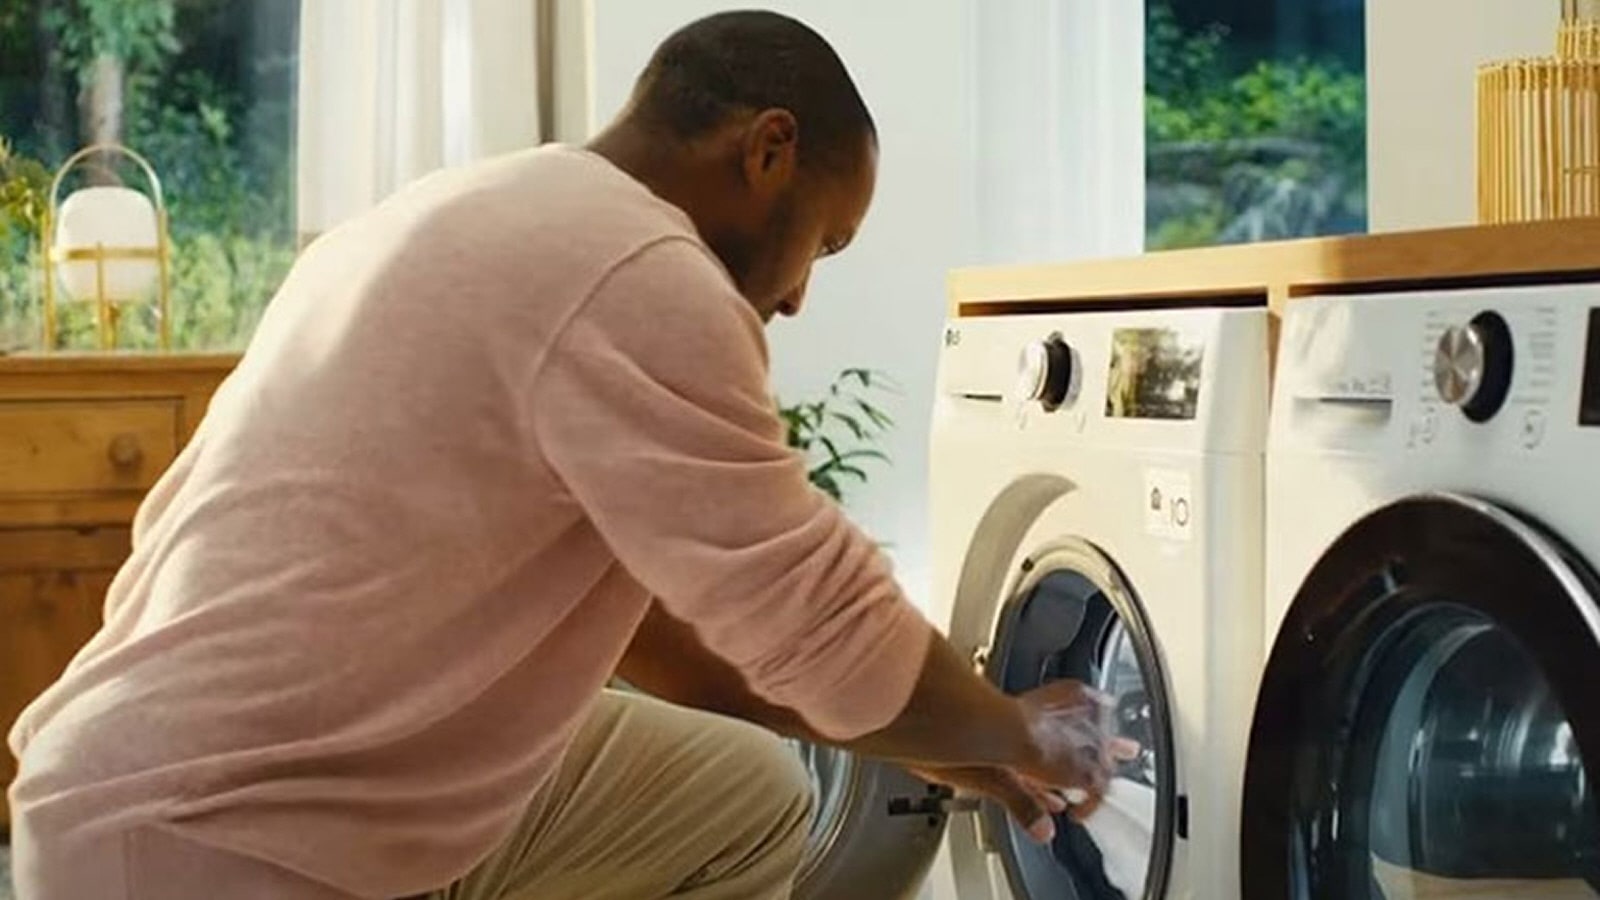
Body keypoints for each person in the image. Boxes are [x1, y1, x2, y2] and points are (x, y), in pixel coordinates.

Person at [7, 11, 1116, 899]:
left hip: (231, 779)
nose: (796, 296)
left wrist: (929, 735)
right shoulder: (637, 268)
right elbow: (814, 615)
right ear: (769, 149)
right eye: (822, 241)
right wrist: (1024, 726)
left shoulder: (481, 209)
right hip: (208, 834)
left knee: (740, 797)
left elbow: (667, 640)